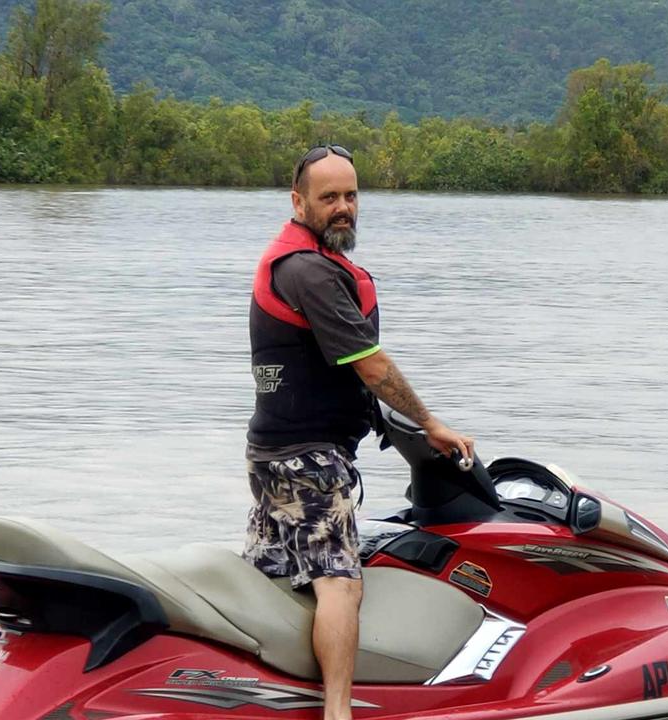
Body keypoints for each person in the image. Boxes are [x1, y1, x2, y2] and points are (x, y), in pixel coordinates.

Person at [242, 144, 474, 720]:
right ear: (298, 202)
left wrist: (391, 428)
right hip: (307, 461)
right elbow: (371, 366)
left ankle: (261, 691)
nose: (343, 207)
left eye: (350, 195)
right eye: (329, 198)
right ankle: (338, 712)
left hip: (276, 452)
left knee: (274, 575)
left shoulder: (303, 262)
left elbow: (335, 374)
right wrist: (430, 423)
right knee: (338, 582)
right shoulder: (308, 272)